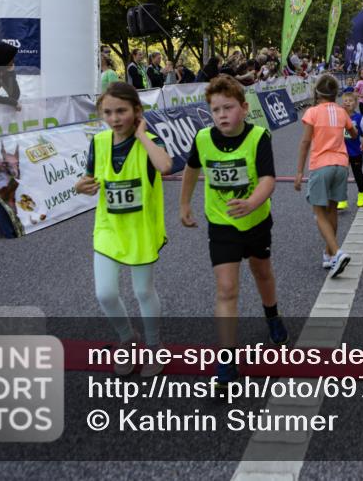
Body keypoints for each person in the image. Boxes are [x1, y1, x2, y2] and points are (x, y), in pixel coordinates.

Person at [179, 75, 287, 386]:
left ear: (243, 107)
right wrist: (184, 204)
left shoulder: (258, 137)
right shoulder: (202, 139)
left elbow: (268, 178)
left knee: (261, 272)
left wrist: (252, 202)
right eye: (215, 110)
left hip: (255, 221)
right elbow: (191, 169)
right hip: (222, 223)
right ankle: (226, 360)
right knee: (226, 289)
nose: (222, 115)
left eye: (228, 107)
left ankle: (272, 316)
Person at [74, 82, 173, 377]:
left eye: (121, 111)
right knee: (105, 293)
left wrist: (142, 135)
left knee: (143, 291)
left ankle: (154, 348)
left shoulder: (149, 141)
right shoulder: (100, 142)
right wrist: (81, 185)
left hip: (140, 229)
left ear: (136, 111)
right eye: (108, 112)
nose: (115, 118)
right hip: (108, 228)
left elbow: (165, 166)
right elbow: (88, 178)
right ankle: (128, 339)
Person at [295, 75, 356, 278]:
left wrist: (299, 172)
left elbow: (305, 143)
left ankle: (337, 252)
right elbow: (353, 132)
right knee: (332, 210)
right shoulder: (341, 111)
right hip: (341, 165)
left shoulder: (312, 112)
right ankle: (329, 254)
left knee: (319, 213)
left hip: (321, 165)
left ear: (317, 92)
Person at [337, 92, 363, 211]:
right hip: (342, 152)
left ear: (356, 104)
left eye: (350, 101)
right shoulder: (338, 117)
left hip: (355, 151)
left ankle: (361, 193)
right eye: (345, 101)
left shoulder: (359, 117)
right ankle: (342, 199)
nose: (347, 103)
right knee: (341, 175)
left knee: (357, 174)